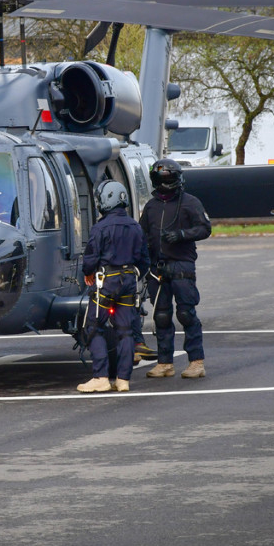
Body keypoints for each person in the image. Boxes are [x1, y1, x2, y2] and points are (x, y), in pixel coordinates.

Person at [138, 159, 212, 379]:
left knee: (186, 314)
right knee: (161, 316)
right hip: (157, 268)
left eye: (168, 178)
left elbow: (204, 228)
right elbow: (142, 235)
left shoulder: (190, 202)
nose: (164, 183)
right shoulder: (151, 206)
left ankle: (196, 362)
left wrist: (182, 235)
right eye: (161, 179)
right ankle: (165, 363)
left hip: (182, 265)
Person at [77, 180, 150, 393]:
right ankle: (123, 380)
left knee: (93, 327)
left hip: (106, 282)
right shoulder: (135, 226)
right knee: (126, 331)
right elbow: (144, 259)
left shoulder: (100, 227)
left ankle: (100, 376)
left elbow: (91, 257)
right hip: (128, 280)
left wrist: (88, 273)